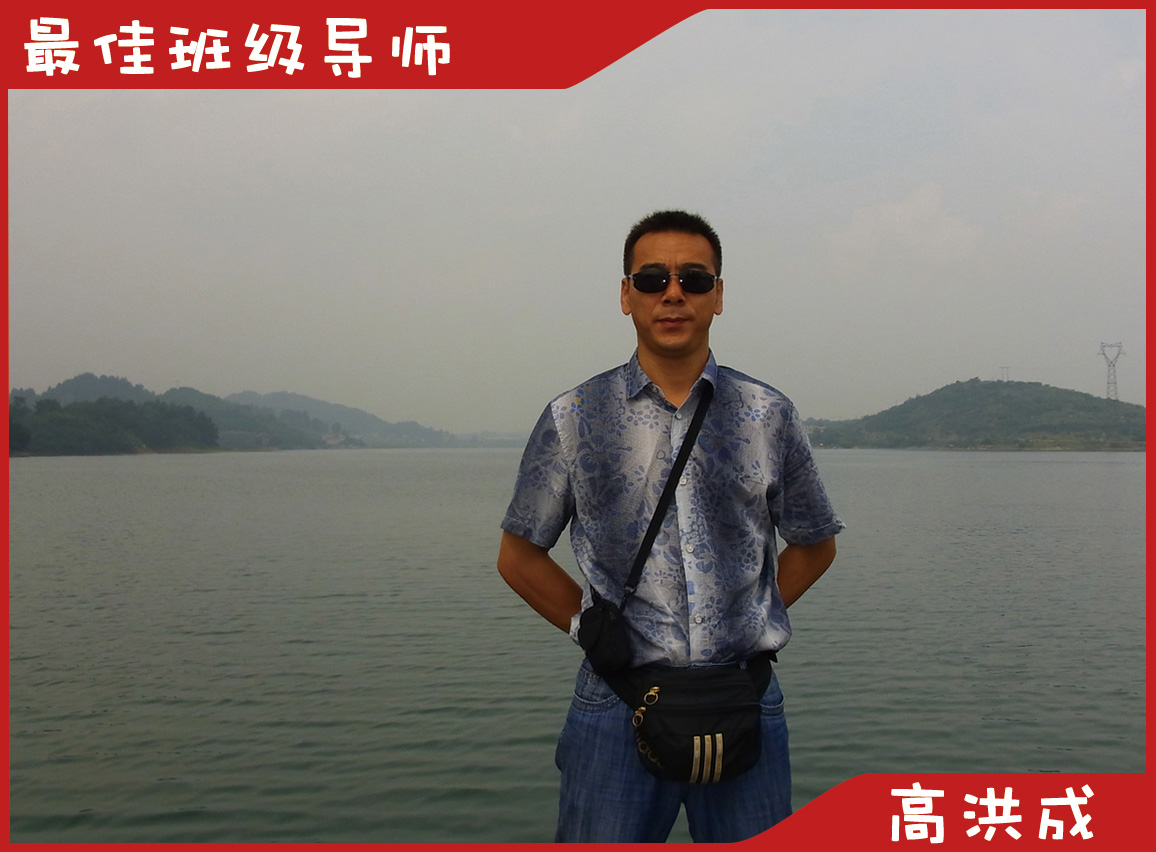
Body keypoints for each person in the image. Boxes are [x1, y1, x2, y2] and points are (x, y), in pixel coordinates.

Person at [496, 209, 844, 843]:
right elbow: (518, 557)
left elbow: (815, 544)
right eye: (653, 279)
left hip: (743, 697)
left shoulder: (767, 413)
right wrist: (589, 628)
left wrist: (749, 614)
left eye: (695, 279)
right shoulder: (575, 416)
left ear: (718, 295)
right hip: (616, 703)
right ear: (626, 294)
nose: (674, 293)